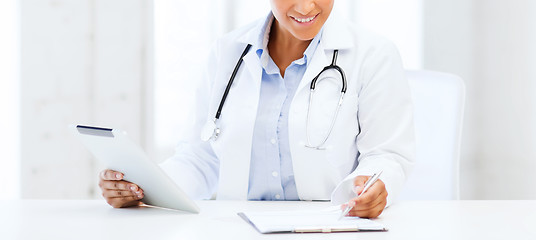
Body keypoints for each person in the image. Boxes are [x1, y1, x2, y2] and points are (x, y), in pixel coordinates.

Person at [98, 0, 415, 218]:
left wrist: (373, 185)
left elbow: (387, 155)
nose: (306, 6)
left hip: (329, 228)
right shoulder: (229, 51)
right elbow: (203, 157)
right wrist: (141, 188)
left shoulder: (374, 55)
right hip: (236, 228)